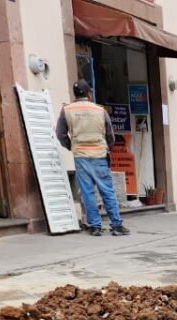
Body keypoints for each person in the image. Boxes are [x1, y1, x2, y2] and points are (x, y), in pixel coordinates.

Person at [56, 80, 130, 237]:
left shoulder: (67, 110)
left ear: (75, 94)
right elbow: (110, 134)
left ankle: (95, 226)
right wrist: (107, 149)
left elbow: (60, 134)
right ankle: (116, 225)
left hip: (81, 156)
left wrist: (71, 146)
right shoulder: (99, 110)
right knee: (107, 191)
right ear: (89, 93)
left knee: (87, 192)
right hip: (99, 155)